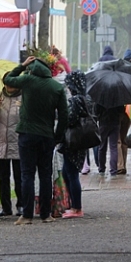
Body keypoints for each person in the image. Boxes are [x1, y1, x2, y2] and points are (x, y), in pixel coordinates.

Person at [3, 55, 68, 225]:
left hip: (26, 133)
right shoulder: (57, 87)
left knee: (27, 174)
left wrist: (22, 66)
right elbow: (64, 115)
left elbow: (8, 79)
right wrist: (57, 136)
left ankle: (27, 215)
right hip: (47, 136)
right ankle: (46, 214)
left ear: (33, 70)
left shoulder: (28, 80)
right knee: (46, 175)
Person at [0, 74, 23, 217]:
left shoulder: (23, 96)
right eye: (6, 84)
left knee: (19, 177)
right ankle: (6, 207)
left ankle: (21, 205)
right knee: (3, 178)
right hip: (0, 142)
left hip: (18, 141)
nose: (9, 87)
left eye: (11, 84)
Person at [60, 71, 91, 218]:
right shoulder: (87, 98)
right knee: (68, 172)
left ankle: (77, 208)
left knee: (71, 174)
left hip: (73, 141)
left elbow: (70, 119)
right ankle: (73, 205)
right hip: (80, 140)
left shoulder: (76, 100)